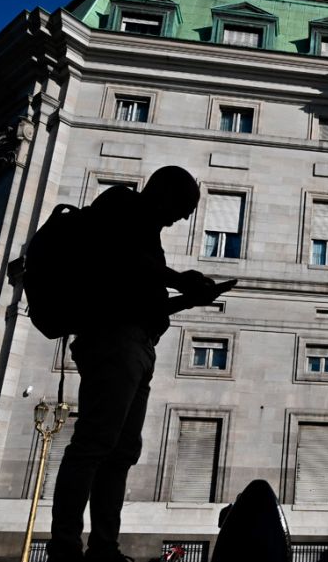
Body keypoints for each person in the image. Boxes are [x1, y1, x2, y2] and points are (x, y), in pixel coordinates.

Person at [47, 166, 231, 562]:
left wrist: (190, 297)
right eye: (184, 206)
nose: (182, 217)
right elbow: (118, 255)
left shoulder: (151, 239)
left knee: (122, 451)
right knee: (94, 444)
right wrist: (181, 280)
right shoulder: (121, 204)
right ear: (162, 190)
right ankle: (64, 547)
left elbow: (147, 304)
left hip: (139, 343)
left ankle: (103, 548)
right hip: (113, 337)